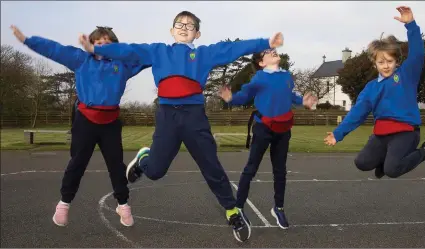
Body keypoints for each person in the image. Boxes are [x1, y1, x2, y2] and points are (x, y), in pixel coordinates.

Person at [78, 10, 283, 242]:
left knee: (211, 166)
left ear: (197, 33)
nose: (184, 27)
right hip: (167, 116)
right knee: (155, 171)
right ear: (171, 30)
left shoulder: (205, 54)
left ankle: (232, 211)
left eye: (190, 25)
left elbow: (233, 49)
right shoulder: (158, 51)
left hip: (194, 116)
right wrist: (97, 49)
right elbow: (129, 50)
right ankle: (144, 160)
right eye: (180, 24)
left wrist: (265, 42)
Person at [11, 25, 150, 227]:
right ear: (90, 45)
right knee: (77, 163)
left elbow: (148, 55)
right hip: (85, 121)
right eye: (98, 43)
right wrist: (27, 40)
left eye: (108, 44)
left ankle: (123, 204)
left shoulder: (123, 64)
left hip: (110, 122)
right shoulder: (81, 59)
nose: (102, 47)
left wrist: (172, 52)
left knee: (115, 165)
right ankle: (64, 203)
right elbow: (55, 49)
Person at [323, 6, 425, 180]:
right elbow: (357, 113)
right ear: (374, 64)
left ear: (396, 61)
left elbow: (417, 55)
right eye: (381, 62)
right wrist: (338, 134)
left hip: (406, 132)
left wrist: (411, 25)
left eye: (390, 61)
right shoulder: (371, 88)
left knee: (393, 169)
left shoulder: (406, 75)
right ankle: (385, 161)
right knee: (362, 163)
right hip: (381, 135)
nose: (386, 65)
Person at [219, 48, 317, 229]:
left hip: (283, 129)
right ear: (261, 63)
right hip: (263, 128)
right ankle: (238, 207)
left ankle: (278, 208)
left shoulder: (287, 76)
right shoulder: (260, 78)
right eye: (267, 52)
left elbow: (292, 95)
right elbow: (245, 94)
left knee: (280, 170)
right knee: (251, 168)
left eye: (273, 50)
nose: (273, 51)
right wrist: (231, 98)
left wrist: (303, 101)